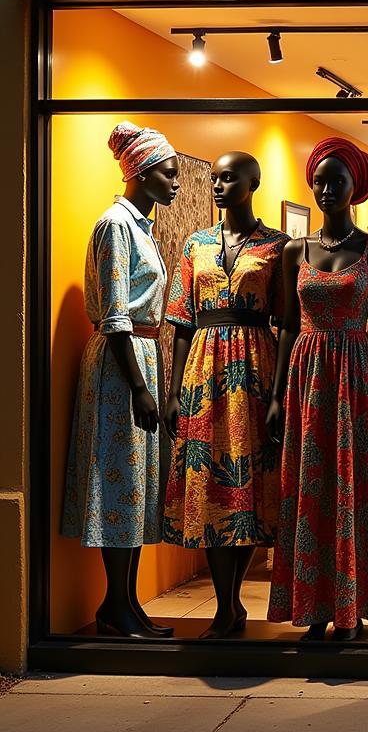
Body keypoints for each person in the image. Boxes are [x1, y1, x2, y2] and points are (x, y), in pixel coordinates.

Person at [267, 137, 368, 641]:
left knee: (354, 490)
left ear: (354, 189)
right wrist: (278, 394)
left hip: (357, 377)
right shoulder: (294, 250)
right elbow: (285, 324)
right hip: (305, 377)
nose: (325, 189)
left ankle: (351, 608)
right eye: (319, 180)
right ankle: (313, 606)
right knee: (308, 490)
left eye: (335, 181)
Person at [162, 151, 289, 640]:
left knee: (246, 488)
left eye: (228, 177)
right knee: (210, 487)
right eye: (213, 178)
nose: (217, 185)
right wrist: (173, 391)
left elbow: (287, 325)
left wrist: (278, 391)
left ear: (253, 183)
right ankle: (225, 605)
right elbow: (179, 321)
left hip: (255, 368)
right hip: (203, 368)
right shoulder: (196, 244)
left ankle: (233, 603)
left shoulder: (276, 247)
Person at [62, 121, 180, 638]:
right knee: (121, 486)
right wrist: (138, 386)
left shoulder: (142, 227)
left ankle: (123, 601)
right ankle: (118, 603)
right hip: (121, 362)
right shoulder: (116, 225)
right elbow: (114, 314)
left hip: (142, 354)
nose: (176, 183)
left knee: (137, 487)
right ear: (142, 172)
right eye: (169, 173)